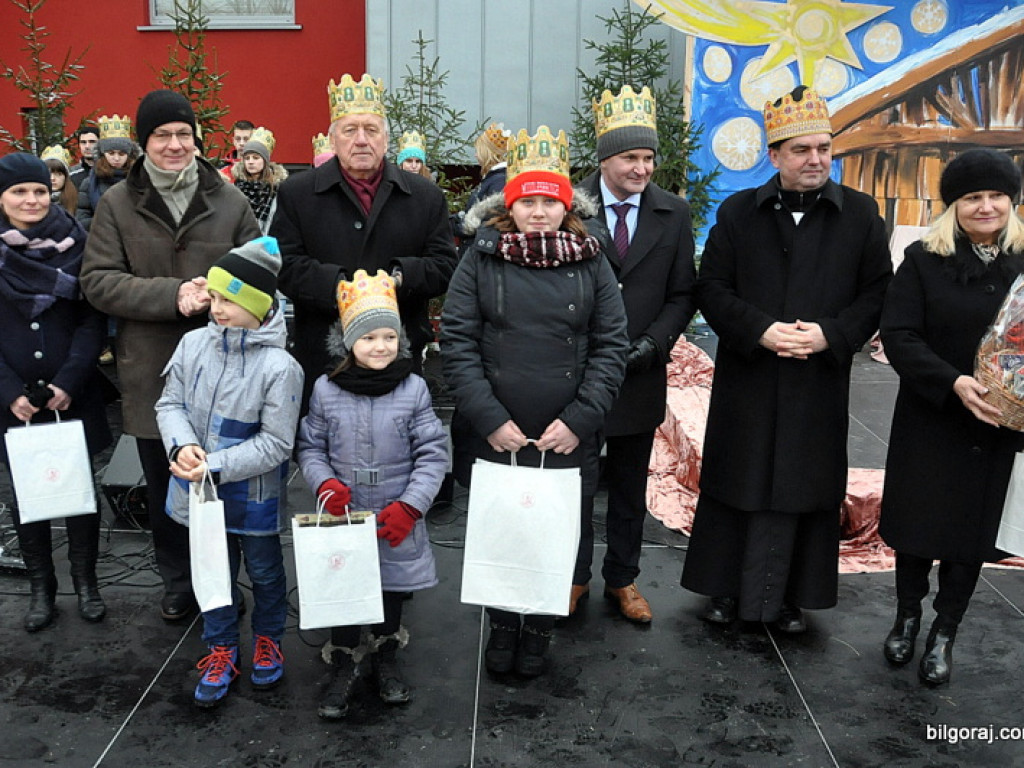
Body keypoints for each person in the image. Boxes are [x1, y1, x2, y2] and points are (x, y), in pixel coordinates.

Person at [680, 85, 891, 633]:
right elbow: (712, 288)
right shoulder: (738, 212)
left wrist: (830, 335)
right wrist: (761, 330)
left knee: (806, 484)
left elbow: (876, 294)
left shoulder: (862, 216)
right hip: (750, 375)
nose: (816, 159)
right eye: (801, 149)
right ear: (774, 156)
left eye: (823, 148)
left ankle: (793, 597)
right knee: (738, 478)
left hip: (817, 379)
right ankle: (725, 590)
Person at [442, 126, 628, 677]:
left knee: (555, 530)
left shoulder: (593, 261)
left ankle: (541, 626)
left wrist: (579, 419)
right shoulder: (481, 257)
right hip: (500, 426)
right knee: (504, 526)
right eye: (529, 200)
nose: (540, 212)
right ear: (511, 204)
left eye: (550, 200)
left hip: (566, 431)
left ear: (566, 205)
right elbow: (457, 339)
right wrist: (489, 417)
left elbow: (611, 344)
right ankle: (502, 623)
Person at [80, 89, 261, 623]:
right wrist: (172, 294)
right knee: (167, 483)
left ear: (197, 140)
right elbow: (97, 280)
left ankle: (223, 582)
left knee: (223, 481)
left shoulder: (229, 200)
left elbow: (260, 271)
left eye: (184, 134)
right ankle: (180, 583)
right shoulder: (116, 204)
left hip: (226, 364)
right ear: (144, 142)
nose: (175, 144)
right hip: (153, 369)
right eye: (163, 135)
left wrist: (228, 294)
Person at [878, 148, 1024, 685]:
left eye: (996, 196)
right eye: (972, 198)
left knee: (971, 533)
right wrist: (952, 381)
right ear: (954, 206)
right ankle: (907, 616)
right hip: (933, 414)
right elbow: (899, 334)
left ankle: (945, 632)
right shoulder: (923, 259)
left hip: (998, 423)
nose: (985, 207)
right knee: (917, 526)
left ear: (1013, 201)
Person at [155, 235, 303, 707]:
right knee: (212, 571)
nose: (216, 307)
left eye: (229, 299)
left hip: (251, 495)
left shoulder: (280, 367)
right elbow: (170, 403)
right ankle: (220, 648)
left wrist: (212, 465)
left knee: (263, 570)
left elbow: (277, 443)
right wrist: (184, 445)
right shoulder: (192, 344)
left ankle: (268, 639)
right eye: (214, 297)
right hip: (199, 492)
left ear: (259, 306)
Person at [296, 268, 447, 719]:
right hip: (346, 512)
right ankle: (344, 657)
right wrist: (324, 483)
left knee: (390, 590)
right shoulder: (325, 389)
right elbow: (311, 446)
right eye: (368, 338)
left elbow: (433, 453)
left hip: (394, 510)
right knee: (345, 588)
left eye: (388, 336)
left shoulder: (413, 387)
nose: (379, 346)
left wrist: (412, 505)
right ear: (348, 342)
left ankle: (385, 653)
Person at [573, 84, 696, 623]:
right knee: (575, 483)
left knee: (628, 485)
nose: (642, 169)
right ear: (605, 158)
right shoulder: (570, 210)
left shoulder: (673, 214)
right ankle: (573, 576)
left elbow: (683, 292)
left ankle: (622, 579)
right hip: (579, 375)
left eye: (648, 158)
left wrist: (654, 342)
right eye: (630, 157)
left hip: (640, 375)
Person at [271, 73, 456, 405]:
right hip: (324, 363)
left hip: (399, 358)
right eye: (349, 130)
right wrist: (341, 287)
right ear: (333, 139)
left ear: (385, 139)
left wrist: (398, 280)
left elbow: (444, 266)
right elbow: (284, 266)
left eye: (371, 130)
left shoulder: (425, 197)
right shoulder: (297, 194)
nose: (361, 140)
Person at [0, 153, 112, 632]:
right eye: (19, 192)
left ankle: (86, 583)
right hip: (12, 399)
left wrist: (68, 380)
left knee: (79, 491)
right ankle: (42, 590)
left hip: (73, 391)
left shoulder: (78, 244)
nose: (31, 200)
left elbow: (92, 320)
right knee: (28, 498)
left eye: (39, 191)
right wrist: (9, 391)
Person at [76, 114, 140, 231]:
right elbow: (81, 219)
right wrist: (107, 221)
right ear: (103, 154)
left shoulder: (139, 180)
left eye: (121, 154)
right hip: (101, 241)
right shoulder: (90, 183)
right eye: (111, 153)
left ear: (129, 155)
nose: (116, 159)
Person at [231, 127, 288, 235]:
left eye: (256, 158)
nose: (250, 162)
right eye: (247, 158)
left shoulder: (276, 189)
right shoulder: (236, 187)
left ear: (265, 160)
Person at [40, 145, 79, 215]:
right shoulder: (34, 200)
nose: (52, 178)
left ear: (66, 177)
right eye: (48, 173)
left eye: (58, 174)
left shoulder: (76, 200)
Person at [69, 124, 99, 190]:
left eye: (92, 142)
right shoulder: (71, 174)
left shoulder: (109, 171)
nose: (87, 146)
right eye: (83, 142)